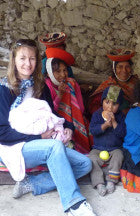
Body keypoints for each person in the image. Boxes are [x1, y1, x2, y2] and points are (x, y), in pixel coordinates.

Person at [0, 39, 97, 216]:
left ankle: (33, 183)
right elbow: (2, 133)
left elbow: (52, 115)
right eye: (22, 58)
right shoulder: (4, 89)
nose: (27, 64)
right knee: (54, 147)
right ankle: (74, 203)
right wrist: (39, 138)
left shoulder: (40, 86)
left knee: (85, 164)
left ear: (37, 61)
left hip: (43, 144)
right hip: (14, 148)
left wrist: (68, 127)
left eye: (32, 59)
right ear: (14, 60)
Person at [44, 48, 92, 153]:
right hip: (57, 124)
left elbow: (80, 106)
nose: (63, 74)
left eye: (65, 70)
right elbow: (49, 112)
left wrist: (77, 118)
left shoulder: (71, 83)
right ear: (49, 73)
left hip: (76, 120)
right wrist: (60, 95)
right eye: (58, 71)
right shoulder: (46, 87)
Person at [89, 85, 126, 197]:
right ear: (102, 101)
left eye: (114, 104)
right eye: (107, 102)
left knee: (119, 155)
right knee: (91, 159)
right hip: (98, 149)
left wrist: (114, 123)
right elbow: (92, 130)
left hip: (114, 149)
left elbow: (123, 134)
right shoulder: (97, 114)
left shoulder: (121, 117)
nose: (110, 107)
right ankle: (99, 183)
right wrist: (104, 125)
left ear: (119, 105)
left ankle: (111, 180)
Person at [88, 48, 139, 117]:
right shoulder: (110, 86)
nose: (124, 70)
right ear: (114, 69)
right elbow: (95, 108)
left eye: (127, 67)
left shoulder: (136, 83)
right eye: (120, 67)